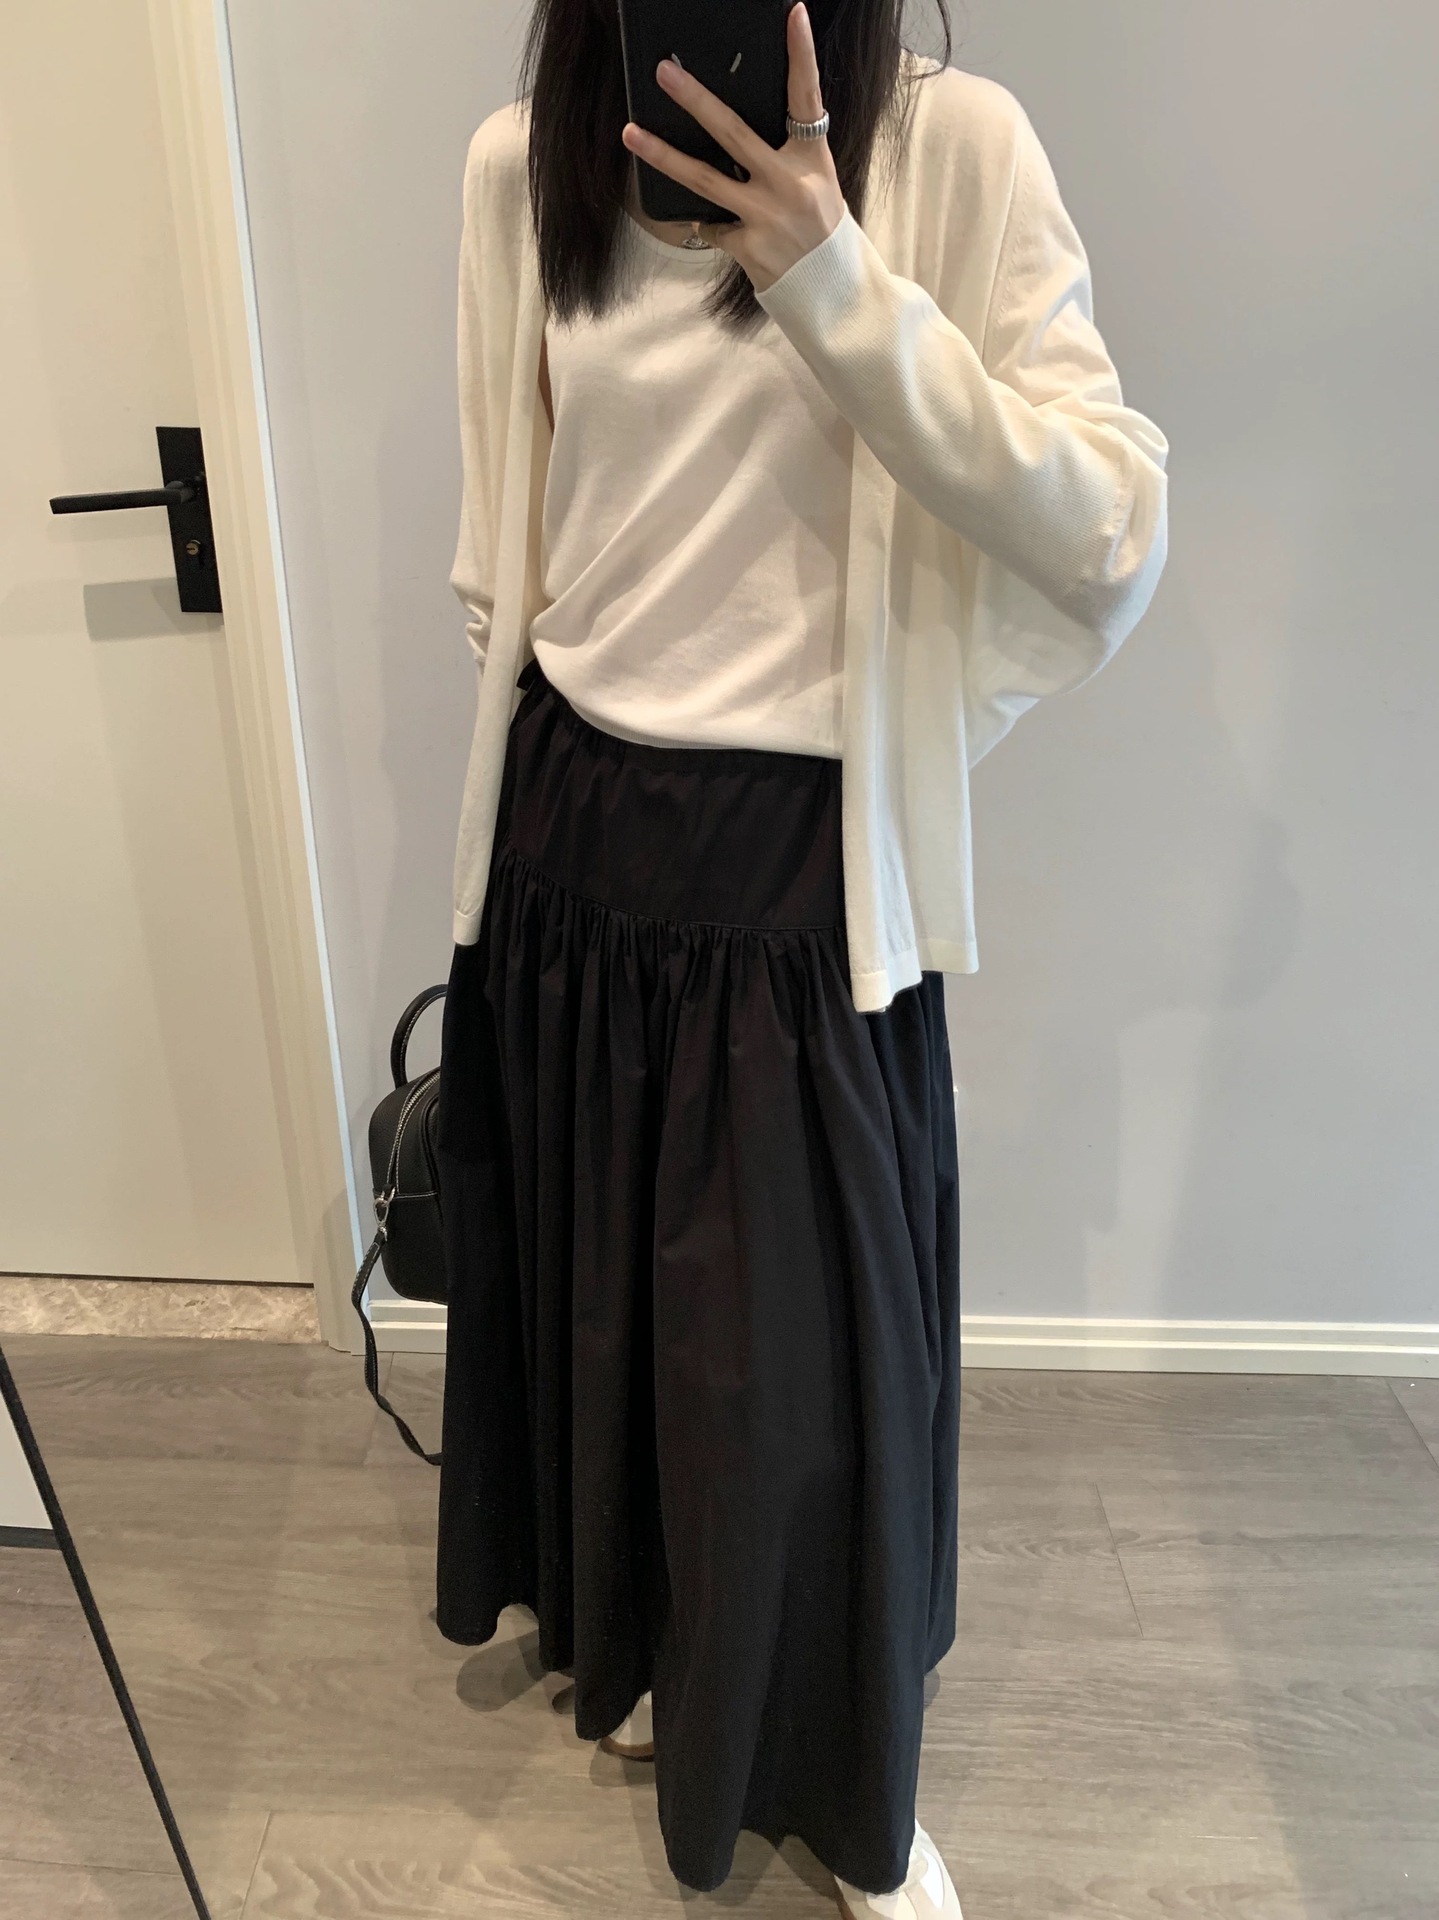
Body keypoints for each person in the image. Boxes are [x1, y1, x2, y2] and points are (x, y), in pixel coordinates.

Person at [432, 3, 1169, 1916]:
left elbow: (1110, 527)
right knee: (612, 1326)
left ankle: (850, 1799)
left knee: (802, 1388)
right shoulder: (524, 167)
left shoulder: (948, 149)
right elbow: (505, 555)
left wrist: (834, 279)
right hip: (575, 845)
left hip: (796, 871)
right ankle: (659, 1657)